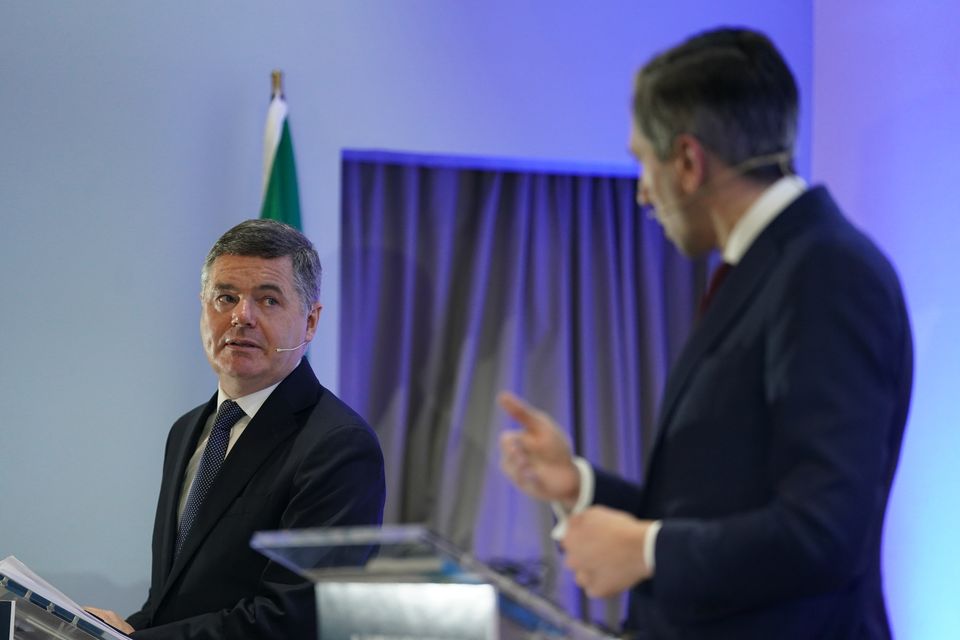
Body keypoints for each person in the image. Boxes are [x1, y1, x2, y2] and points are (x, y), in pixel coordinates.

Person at [499, 27, 912, 639]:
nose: (642, 188)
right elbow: (720, 509)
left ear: (688, 162)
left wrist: (646, 550)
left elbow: (824, 532)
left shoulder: (827, 270)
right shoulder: (773, 267)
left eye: (643, 159)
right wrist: (580, 484)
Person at [87, 219, 385, 639]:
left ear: (311, 322)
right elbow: (174, 601)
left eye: (268, 301)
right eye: (225, 297)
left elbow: (298, 616)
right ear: (203, 308)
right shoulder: (186, 430)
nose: (241, 317)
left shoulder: (338, 445)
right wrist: (113, 630)